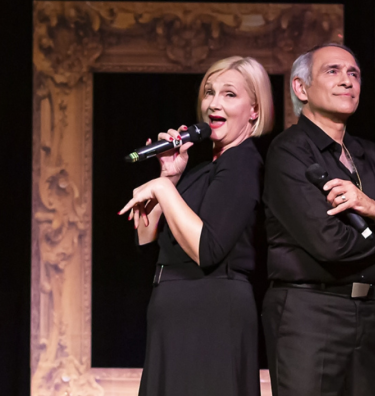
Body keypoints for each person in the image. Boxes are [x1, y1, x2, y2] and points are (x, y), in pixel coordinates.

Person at [261, 43, 375, 396]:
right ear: (301, 88)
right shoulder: (289, 151)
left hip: (366, 314)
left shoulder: (369, 155)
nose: (347, 81)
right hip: (308, 312)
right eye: (333, 71)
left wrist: (373, 209)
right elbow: (331, 244)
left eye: (354, 74)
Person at [117, 56, 274, 396]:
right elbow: (146, 239)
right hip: (175, 314)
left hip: (211, 315)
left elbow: (207, 249)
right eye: (209, 92)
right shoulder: (202, 170)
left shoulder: (243, 163)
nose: (214, 104)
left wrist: (161, 190)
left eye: (229, 95)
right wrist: (168, 176)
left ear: (254, 111)